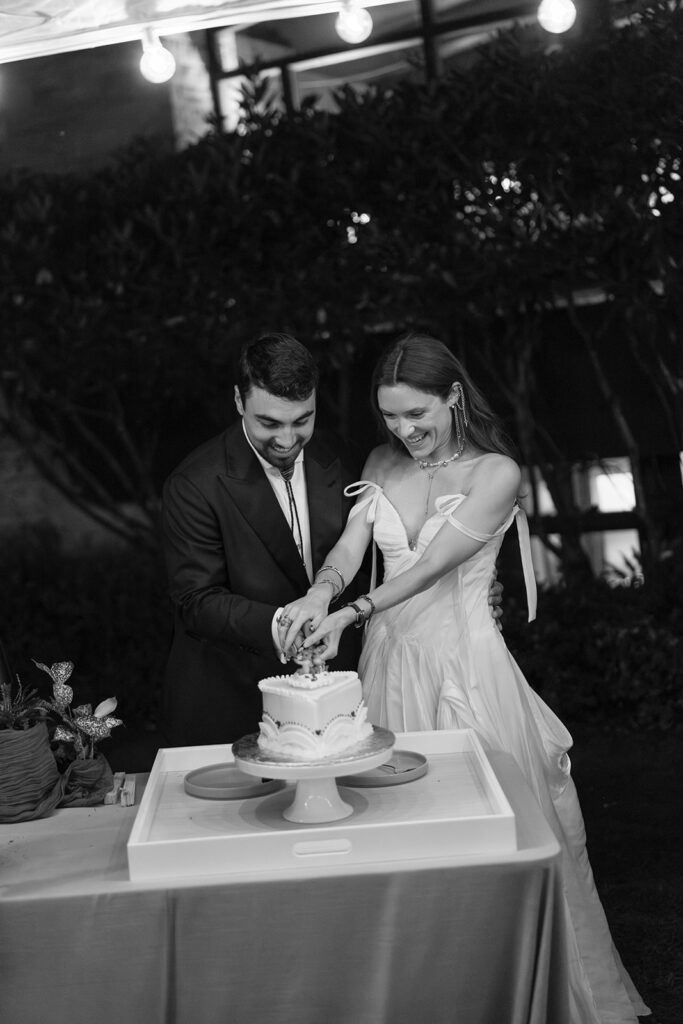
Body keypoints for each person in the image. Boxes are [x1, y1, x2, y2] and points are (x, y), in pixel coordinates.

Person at [278, 334, 649, 1024]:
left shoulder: (495, 473)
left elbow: (427, 569)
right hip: (388, 667)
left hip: (465, 670)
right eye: (390, 416)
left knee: (500, 839)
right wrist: (318, 595)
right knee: (398, 841)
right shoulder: (380, 462)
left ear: (453, 396)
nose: (404, 430)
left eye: (417, 413)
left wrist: (351, 609)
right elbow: (351, 548)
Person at [161, 331, 502, 746]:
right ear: (239, 401)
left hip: (348, 686)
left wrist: (469, 584)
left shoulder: (343, 456)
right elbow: (196, 601)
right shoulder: (194, 482)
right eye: (270, 423)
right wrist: (284, 623)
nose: (287, 440)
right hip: (233, 696)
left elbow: (393, 551)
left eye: (302, 421)